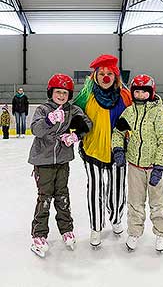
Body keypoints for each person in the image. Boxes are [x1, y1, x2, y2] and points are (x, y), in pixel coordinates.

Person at [28, 73, 92, 257]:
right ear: (51, 92)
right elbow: (36, 130)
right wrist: (49, 120)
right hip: (43, 161)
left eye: (65, 93)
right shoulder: (43, 109)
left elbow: (87, 124)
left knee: (62, 196)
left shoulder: (72, 111)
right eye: (58, 92)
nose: (61, 96)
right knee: (45, 197)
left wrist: (75, 136)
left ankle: (66, 229)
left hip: (62, 160)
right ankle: (39, 235)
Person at [73, 54, 132, 248]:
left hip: (118, 152)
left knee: (117, 190)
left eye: (109, 73)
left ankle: (116, 219)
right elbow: (73, 113)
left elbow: (136, 117)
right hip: (93, 151)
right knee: (96, 189)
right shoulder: (86, 96)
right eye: (101, 73)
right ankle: (96, 227)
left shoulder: (125, 96)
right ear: (95, 76)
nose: (105, 77)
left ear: (115, 76)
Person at [112, 74, 163, 253]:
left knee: (158, 202)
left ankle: (162, 232)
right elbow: (118, 133)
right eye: (136, 91)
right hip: (135, 167)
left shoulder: (158, 113)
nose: (139, 95)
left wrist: (159, 166)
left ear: (151, 92)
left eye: (143, 92)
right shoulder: (129, 112)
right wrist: (118, 150)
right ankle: (134, 232)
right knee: (135, 201)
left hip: (154, 167)